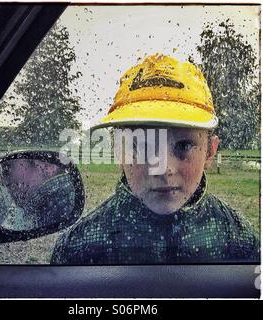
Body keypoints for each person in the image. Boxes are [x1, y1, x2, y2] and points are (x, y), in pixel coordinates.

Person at [51, 54, 259, 264]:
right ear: (118, 151)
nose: (163, 168)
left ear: (210, 152)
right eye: (142, 146)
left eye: (183, 145)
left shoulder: (241, 243)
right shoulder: (78, 249)